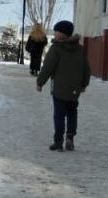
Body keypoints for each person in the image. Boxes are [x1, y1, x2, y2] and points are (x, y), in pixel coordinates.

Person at [36, 20, 92, 152]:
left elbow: (48, 67)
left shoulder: (56, 49)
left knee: (59, 115)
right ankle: (70, 136)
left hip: (59, 89)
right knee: (72, 113)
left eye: (56, 31)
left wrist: (40, 82)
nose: (54, 34)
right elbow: (86, 69)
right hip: (74, 90)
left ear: (61, 34)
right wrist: (83, 84)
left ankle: (58, 141)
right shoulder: (80, 49)